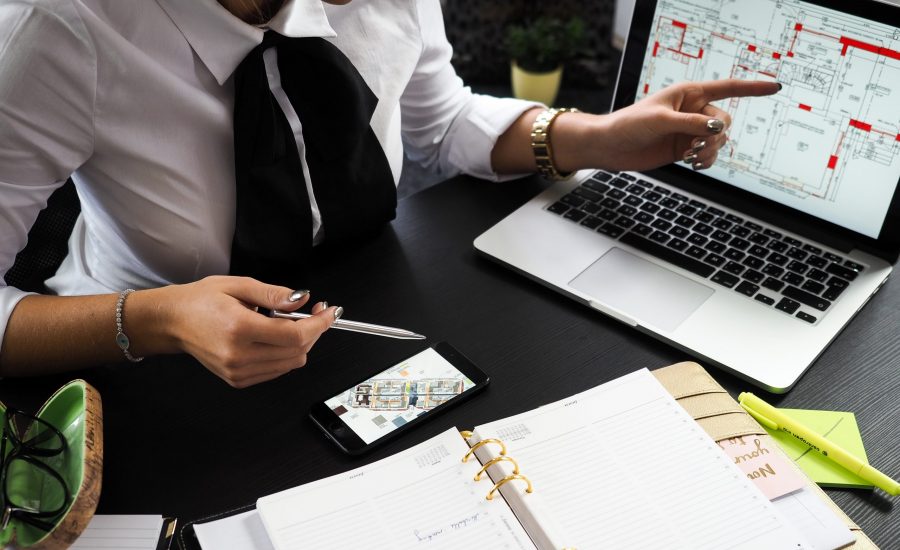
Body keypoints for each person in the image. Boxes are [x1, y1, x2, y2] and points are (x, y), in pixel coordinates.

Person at [0, 0, 780, 388]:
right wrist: (161, 318)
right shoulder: (54, 32)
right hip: (152, 367)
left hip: (369, 302)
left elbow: (439, 122)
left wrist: (591, 137)